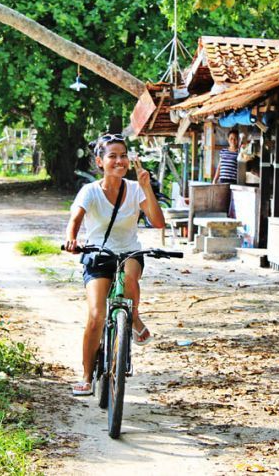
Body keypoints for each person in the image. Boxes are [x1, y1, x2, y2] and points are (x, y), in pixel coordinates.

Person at [64, 133, 165, 396]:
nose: (119, 161)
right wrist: (71, 239)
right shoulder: (90, 191)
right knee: (96, 315)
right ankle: (86, 376)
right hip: (98, 255)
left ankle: (132, 317)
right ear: (100, 161)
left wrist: (147, 188)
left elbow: (158, 222)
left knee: (129, 278)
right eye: (112, 156)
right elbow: (75, 219)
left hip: (129, 252)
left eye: (123, 156)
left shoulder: (134, 189)